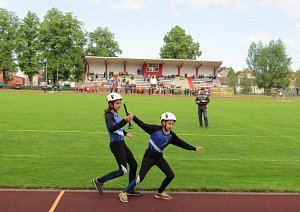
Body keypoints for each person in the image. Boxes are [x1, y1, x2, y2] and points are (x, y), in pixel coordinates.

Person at [118, 112, 202, 203]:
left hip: (159, 158)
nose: (171, 126)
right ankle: (124, 192)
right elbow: (142, 124)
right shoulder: (154, 129)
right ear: (163, 123)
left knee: (170, 175)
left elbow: (181, 143)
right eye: (169, 123)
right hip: (149, 157)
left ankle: (159, 193)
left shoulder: (171, 135)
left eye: (172, 124)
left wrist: (193, 148)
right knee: (140, 178)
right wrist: (133, 117)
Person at [92, 92, 142, 196]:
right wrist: (124, 121)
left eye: (120, 103)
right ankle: (99, 181)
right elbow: (111, 128)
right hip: (116, 145)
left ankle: (130, 189)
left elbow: (118, 127)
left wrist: (126, 133)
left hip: (121, 143)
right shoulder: (108, 116)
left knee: (133, 164)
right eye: (117, 103)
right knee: (123, 170)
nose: (119, 105)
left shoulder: (116, 114)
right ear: (111, 104)